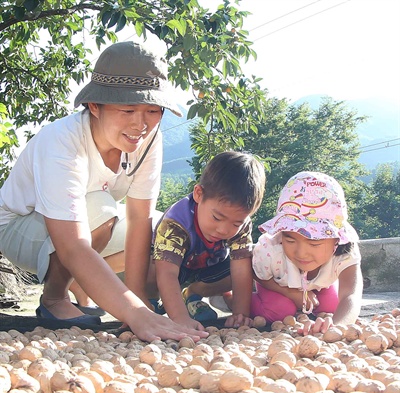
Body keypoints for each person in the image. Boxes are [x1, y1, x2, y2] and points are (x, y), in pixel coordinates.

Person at [0, 41, 207, 343]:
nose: (141, 124)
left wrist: (138, 302)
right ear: (94, 106)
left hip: (89, 227)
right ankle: (55, 299)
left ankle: (85, 284)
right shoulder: (61, 142)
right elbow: (72, 245)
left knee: (169, 234)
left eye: (152, 110)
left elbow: (140, 219)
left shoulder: (147, 140)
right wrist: (134, 314)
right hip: (19, 227)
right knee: (100, 207)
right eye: (127, 109)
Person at [151, 151, 266, 330]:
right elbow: (166, 274)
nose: (224, 230)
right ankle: (151, 301)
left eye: (236, 223)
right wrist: (180, 319)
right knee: (150, 270)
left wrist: (240, 315)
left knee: (252, 266)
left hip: (210, 267)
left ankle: (192, 294)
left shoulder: (241, 225)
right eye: (217, 218)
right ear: (198, 194)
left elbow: (241, 271)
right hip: (171, 265)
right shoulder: (175, 223)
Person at [251, 171, 363, 334]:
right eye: (290, 240)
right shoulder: (271, 249)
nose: (301, 253)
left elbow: (351, 295)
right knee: (280, 311)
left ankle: (303, 308)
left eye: (314, 243)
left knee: (334, 306)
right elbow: (258, 274)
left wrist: (336, 328)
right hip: (276, 285)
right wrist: (291, 293)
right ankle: (230, 298)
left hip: (318, 287)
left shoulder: (345, 252)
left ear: (336, 239)